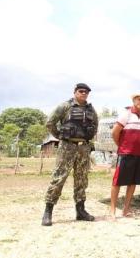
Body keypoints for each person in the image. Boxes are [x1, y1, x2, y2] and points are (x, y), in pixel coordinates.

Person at [42, 83, 99, 226]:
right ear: (74, 92)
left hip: (83, 148)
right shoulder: (65, 107)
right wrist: (60, 136)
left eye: (86, 92)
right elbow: (50, 123)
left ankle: (80, 211)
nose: (84, 93)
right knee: (59, 178)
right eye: (81, 91)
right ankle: (48, 211)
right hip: (67, 147)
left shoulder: (91, 110)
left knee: (82, 179)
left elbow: (95, 127)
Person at [109, 92, 140, 220]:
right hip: (125, 153)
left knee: (132, 182)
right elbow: (115, 132)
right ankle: (112, 210)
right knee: (117, 182)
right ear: (134, 100)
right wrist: (121, 146)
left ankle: (126, 209)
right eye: (139, 99)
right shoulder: (126, 114)